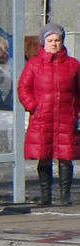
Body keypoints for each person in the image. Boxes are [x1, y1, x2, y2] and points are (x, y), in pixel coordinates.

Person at [17, 23, 80, 206]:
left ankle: (65, 196)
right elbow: (24, 89)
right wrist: (34, 107)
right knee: (44, 154)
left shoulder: (73, 65)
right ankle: (46, 195)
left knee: (65, 156)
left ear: (62, 42)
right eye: (50, 40)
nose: (54, 44)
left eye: (57, 40)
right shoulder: (34, 65)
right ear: (43, 42)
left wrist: (77, 112)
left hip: (66, 117)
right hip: (43, 118)